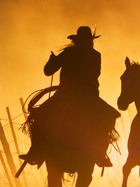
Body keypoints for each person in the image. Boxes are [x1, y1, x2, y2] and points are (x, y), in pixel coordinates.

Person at [20, 26, 120, 167]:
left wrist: (52, 60)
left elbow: (48, 71)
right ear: (90, 40)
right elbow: (95, 75)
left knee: (39, 115)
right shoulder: (95, 55)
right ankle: (100, 153)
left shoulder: (68, 53)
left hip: (64, 96)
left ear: (77, 40)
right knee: (109, 117)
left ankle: (36, 151)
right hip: (88, 98)